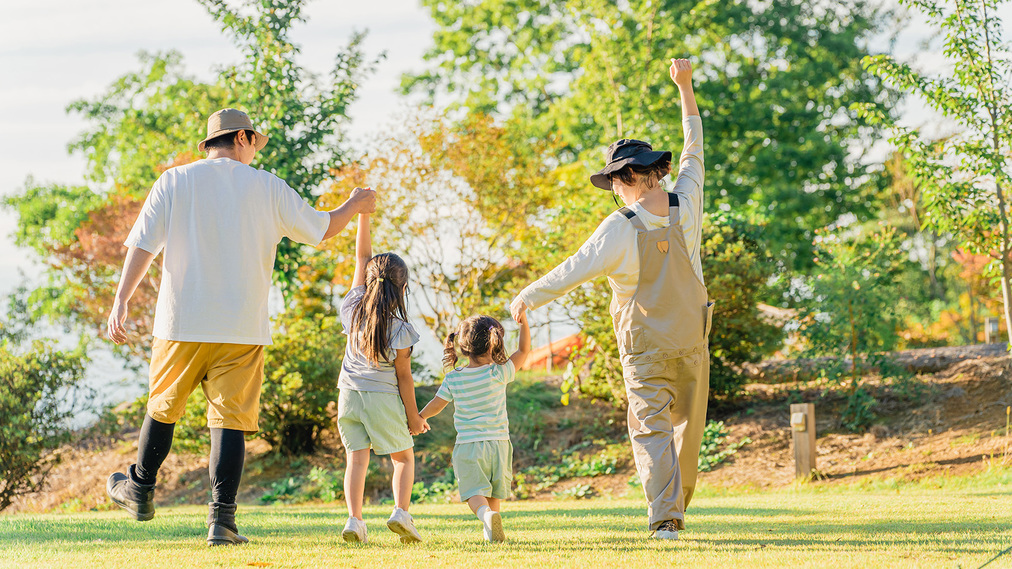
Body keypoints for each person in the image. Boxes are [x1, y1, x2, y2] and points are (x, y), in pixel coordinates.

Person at [105, 108, 376, 546]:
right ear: (244, 138)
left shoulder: (174, 181)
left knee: (162, 407)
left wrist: (121, 300)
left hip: (181, 320)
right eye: (256, 143)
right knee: (229, 422)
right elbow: (323, 229)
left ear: (211, 143)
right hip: (242, 327)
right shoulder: (267, 187)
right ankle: (222, 522)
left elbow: (142, 245)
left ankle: (140, 487)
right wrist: (356, 204)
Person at [509, 58, 712, 540]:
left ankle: (666, 518)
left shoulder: (618, 227)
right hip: (691, 339)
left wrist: (527, 297)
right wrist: (685, 87)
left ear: (622, 180)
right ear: (657, 173)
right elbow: (695, 148)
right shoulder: (689, 200)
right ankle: (676, 508)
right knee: (687, 433)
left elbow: (572, 270)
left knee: (650, 431)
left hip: (645, 348)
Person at [337, 212, 429, 545]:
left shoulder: (352, 308)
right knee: (403, 457)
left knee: (356, 459)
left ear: (367, 279)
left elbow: (362, 257)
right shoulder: (400, 330)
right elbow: (404, 379)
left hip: (347, 395)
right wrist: (414, 417)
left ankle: (354, 520)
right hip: (381, 398)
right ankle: (401, 513)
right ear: (402, 287)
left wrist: (363, 214)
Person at [419, 313, 531, 542]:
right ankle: (492, 527)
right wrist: (524, 322)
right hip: (499, 444)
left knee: (474, 494)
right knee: (493, 492)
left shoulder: (454, 378)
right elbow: (523, 352)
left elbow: (436, 405)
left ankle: (486, 516)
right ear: (493, 342)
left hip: (469, 446)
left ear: (462, 346)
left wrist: (419, 418)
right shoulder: (498, 373)